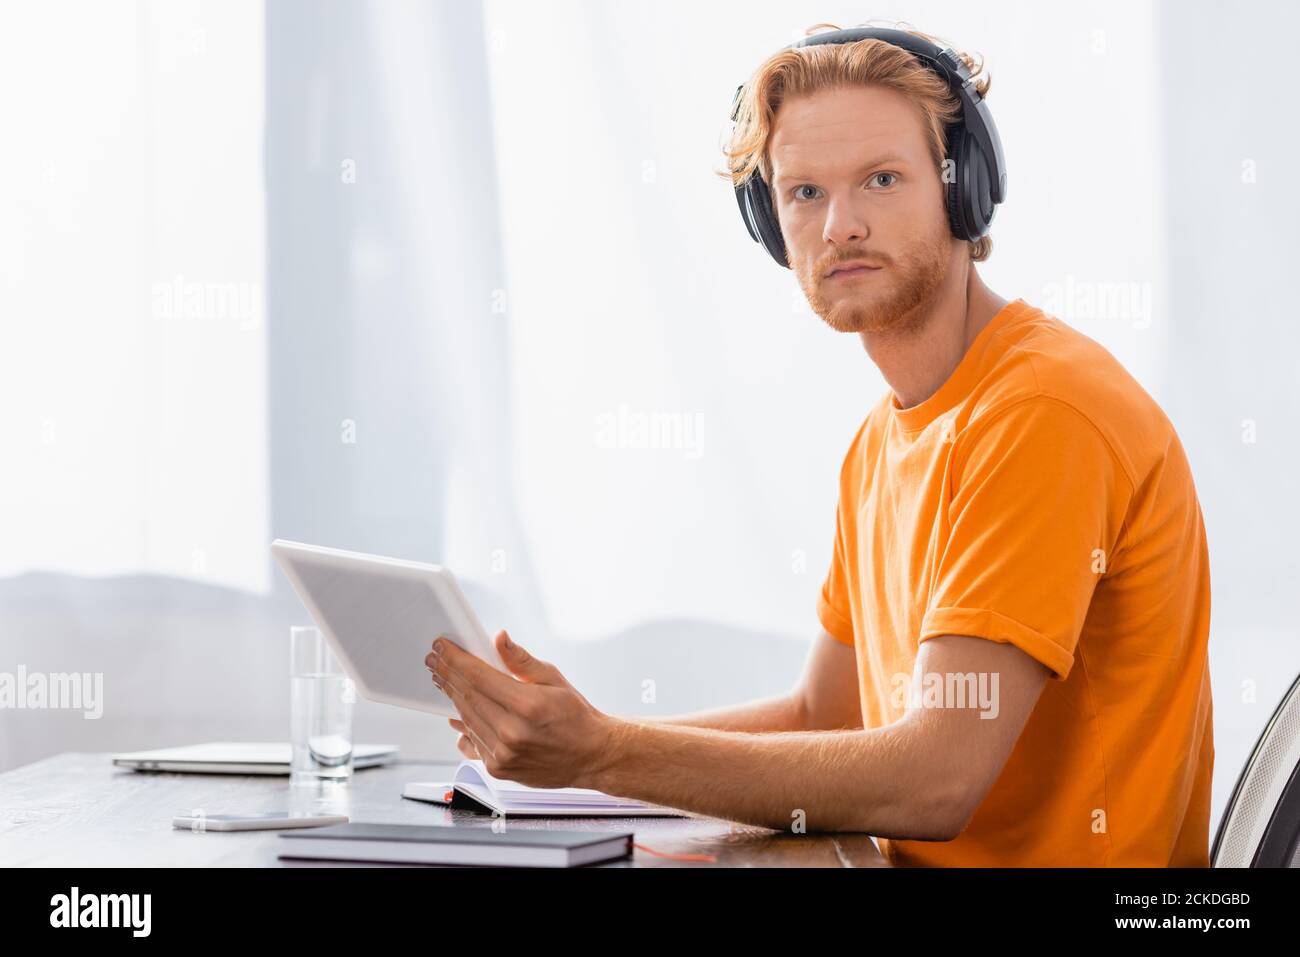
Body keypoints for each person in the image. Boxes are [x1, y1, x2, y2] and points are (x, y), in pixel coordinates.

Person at [425, 22, 1214, 867]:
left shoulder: (1044, 414)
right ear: (772, 224)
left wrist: (603, 753)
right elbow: (822, 715)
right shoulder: (884, 439)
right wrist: (575, 749)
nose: (841, 225)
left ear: (963, 191)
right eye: (804, 193)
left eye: (881, 179)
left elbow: (938, 777)